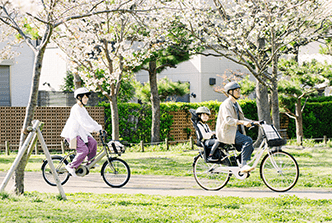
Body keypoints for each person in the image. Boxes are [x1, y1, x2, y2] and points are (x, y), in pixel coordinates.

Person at [215, 81, 259, 172]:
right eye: (236, 90)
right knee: (248, 141)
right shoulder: (226, 104)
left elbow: (242, 118)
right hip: (227, 132)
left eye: (239, 90)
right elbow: (228, 120)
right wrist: (242, 123)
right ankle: (243, 165)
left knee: (250, 147)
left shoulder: (236, 104)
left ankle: (236, 161)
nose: (239, 92)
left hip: (234, 132)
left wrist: (255, 122)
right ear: (230, 92)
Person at [61, 87, 103, 177]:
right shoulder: (76, 108)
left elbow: (90, 120)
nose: (86, 99)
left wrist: (99, 128)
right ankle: (71, 166)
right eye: (84, 97)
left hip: (81, 133)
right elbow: (83, 123)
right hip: (73, 133)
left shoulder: (82, 108)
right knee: (84, 150)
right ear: (79, 98)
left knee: (93, 142)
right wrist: (94, 130)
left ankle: (90, 162)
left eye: (87, 97)